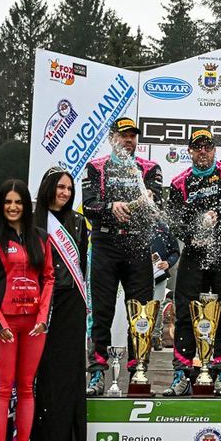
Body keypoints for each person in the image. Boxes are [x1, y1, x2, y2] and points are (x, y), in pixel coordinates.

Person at [0, 179, 54, 441]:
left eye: (18, 202)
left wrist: (43, 317)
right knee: (3, 388)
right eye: (7, 202)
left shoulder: (41, 238)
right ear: (1, 205)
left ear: (26, 205)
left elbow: (49, 278)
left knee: (26, 389)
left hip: (34, 325)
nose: (13, 207)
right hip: (5, 325)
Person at [82, 117, 163, 396]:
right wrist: (111, 206)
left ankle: (138, 373)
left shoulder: (150, 168)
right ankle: (96, 373)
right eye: (123, 135)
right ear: (112, 138)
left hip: (138, 244)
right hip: (105, 244)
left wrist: (145, 201)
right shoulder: (95, 167)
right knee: (101, 311)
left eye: (133, 136)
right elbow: (88, 205)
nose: (129, 140)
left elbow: (157, 204)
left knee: (141, 312)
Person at [165, 128, 221, 396]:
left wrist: (213, 216)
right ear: (189, 151)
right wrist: (193, 235)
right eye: (197, 147)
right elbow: (174, 221)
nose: (203, 151)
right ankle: (182, 373)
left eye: (207, 146)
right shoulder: (179, 182)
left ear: (214, 150)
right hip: (196, 253)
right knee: (185, 312)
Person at [31, 167, 88, 441]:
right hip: (41, 303)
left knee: (68, 375)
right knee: (44, 375)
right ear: (48, 187)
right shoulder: (33, 222)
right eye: (60, 187)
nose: (65, 193)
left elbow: (83, 265)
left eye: (69, 188)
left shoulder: (78, 223)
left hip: (72, 304)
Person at [149, 219, 180, 351]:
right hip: (139, 274)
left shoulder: (165, 227)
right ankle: (139, 336)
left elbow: (175, 251)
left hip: (159, 275)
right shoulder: (137, 222)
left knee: (158, 305)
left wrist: (168, 263)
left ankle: (156, 337)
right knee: (140, 305)